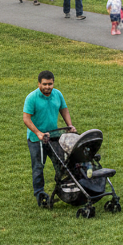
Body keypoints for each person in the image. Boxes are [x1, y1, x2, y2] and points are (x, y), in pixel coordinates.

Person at [23, 70, 76, 207]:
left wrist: (69, 125)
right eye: (45, 84)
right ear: (39, 83)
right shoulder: (32, 98)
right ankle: (40, 193)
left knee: (62, 165)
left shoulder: (57, 94)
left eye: (50, 84)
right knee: (38, 167)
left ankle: (63, 189)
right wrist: (38, 133)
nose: (47, 87)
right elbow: (26, 118)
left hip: (54, 137)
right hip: (37, 140)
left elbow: (64, 109)